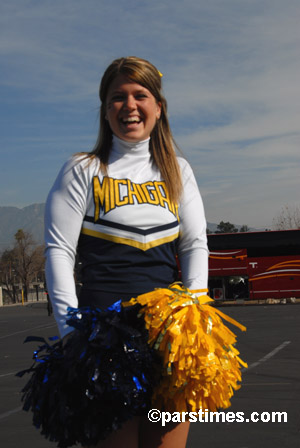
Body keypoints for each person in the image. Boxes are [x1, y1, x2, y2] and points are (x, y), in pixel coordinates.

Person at [45, 56, 208, 448]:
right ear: (105, 109)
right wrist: (72, 334)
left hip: (169, 338)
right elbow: (59, 252)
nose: (129, 106)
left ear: (158, 107)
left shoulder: (177, 170)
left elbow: (194, 244)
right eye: (118, 97)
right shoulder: (83, 169)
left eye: (140, 95)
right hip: (102, 339)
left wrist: (195, 312)